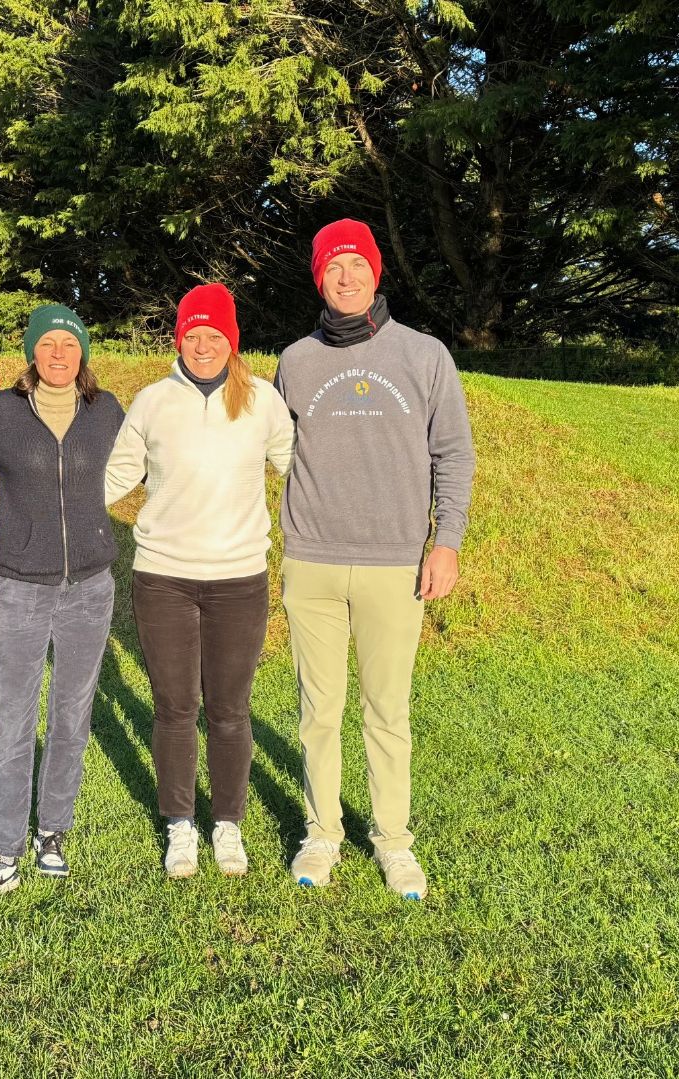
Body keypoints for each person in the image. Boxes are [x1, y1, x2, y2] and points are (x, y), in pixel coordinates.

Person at [273, 219, 477, 900]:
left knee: (386, 712)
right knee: (318, 711)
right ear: (318, 279)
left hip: (395, 564)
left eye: (356, 264)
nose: (346, 277)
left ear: (376, 272)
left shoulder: (424, 355)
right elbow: (271, 451)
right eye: (333, 267)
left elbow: (454, 453)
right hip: (312, 562)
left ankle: (393, 841)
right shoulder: (295, 361)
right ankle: (321, 833)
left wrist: (446, 541)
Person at [104, 283, 295, 879]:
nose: (204, 345)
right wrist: (54, 509)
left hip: (239, 578)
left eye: (215, 335)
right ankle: (181, 823)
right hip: (164, 578)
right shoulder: (152, 401)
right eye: (194, 334)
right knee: (174, 707)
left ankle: (228, 823)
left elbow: (299, 471)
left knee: (230, 709)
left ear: (232, 341)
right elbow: (115, 477)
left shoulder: (263, 402)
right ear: (179, 339)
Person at [0, 304, 124, 905]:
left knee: (72, 715)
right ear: (32, 351)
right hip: (21, 588)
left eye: (69, 345)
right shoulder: (1, 412)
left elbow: (151, 465)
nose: (58, 354)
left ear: (83, 355)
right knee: (12, 722)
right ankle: (3, 851)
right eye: (48, 343)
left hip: (91, 589)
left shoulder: (106, 411)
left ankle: (52, 829)